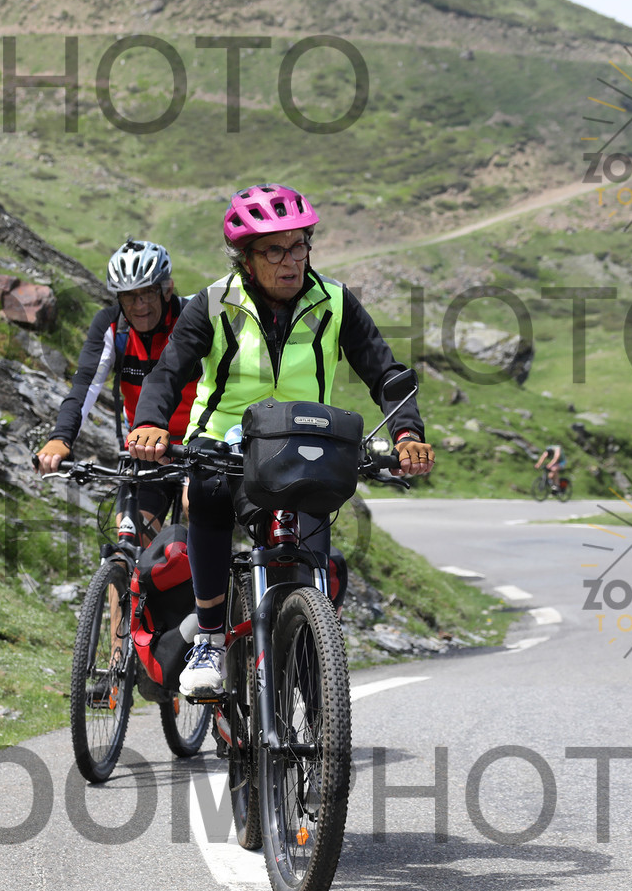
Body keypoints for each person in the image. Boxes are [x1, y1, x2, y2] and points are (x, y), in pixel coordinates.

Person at [128, 183, 435, 697]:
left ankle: (313, 654)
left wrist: (407, 432)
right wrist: (151, 423)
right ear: (246, 259)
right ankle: (209, 637)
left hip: (305, 444)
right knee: (207, 491)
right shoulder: (213, 303)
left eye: (298, 246)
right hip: (224, 442)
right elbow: (168, 372)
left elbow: (384, 372)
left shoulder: (335, 301)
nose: (290, 261)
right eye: (274, 250)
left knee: (311, 551)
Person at [36, 238, 196, 542]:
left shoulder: (192, 319)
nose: (139, 305)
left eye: (148, 292)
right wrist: (60, 438)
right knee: (129, 539)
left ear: (167, 289)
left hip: (197, 445)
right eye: (129, 296)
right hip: (145, 446)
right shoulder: (112, 326)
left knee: (198, 510)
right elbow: (85, 385)